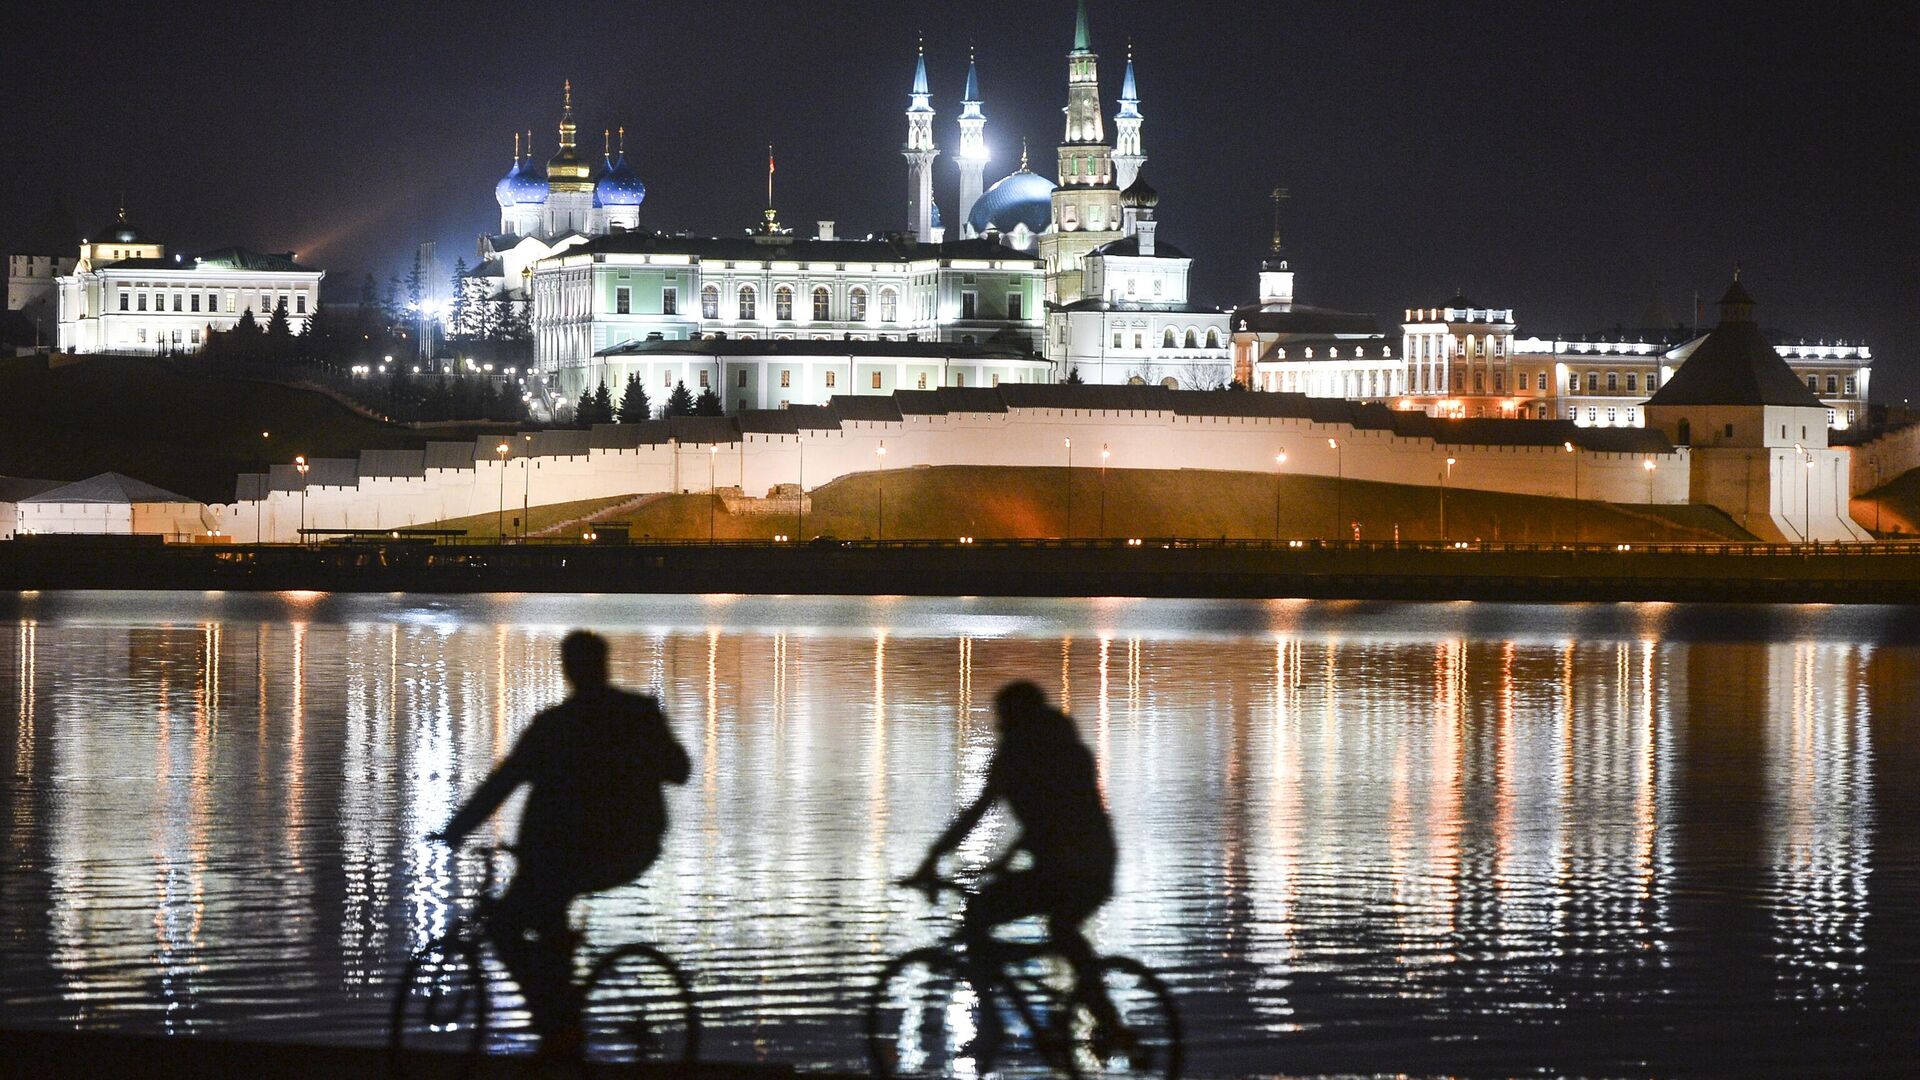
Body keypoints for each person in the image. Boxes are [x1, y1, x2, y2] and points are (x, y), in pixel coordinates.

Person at [433, 630, 690, 1058]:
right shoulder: (638, 713)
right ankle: (560, 1005)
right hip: (631, 847)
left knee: (505, 925)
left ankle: (554, 1018)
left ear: (568, 670)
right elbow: (679, 771)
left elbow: (504, 781)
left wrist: (456, 829)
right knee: (548, 912)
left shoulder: (554, 725)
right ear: (604, 665)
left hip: (567, 853)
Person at [905, 681, 1123, 1062]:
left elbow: (983, 812)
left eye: (1003, 716)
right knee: (1060, 929)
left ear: (1017, 717)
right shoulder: (1064, 751)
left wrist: (933, 858)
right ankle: (1101, 1016)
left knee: (985, 915)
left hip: (1072, 868)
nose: (999, 724)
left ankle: (993, 1029)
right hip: (1087, 863)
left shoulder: (1021, 755)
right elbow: (1049, 819)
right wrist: (1007, 860)